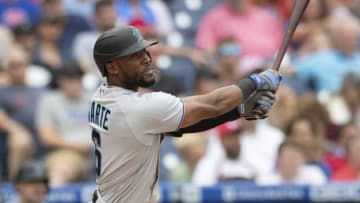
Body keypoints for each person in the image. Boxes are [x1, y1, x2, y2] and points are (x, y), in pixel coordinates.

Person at [89, 25, 281, 203]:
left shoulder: (101, 96)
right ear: (112, 67)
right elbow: (212, 104)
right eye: (134, 56)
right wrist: (255, 82)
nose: (147, 58)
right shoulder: (135, 107)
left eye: (144, 52)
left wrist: (239, 110)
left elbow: (184, 123)